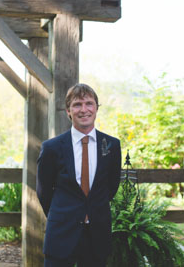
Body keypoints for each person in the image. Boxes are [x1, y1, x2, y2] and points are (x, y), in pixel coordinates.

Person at [36, 83, 122, 267]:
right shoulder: (51, 148)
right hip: (61, 232)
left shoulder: (112, 145)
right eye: (77, 104)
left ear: (97, 108)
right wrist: (62, 214)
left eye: (89, 103)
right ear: (68, 111)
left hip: (96, 233)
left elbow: (112, 186)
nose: (84, 109)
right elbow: (43, 191)